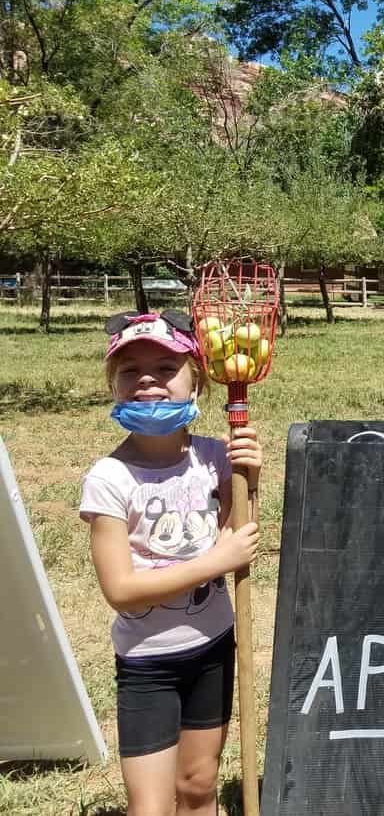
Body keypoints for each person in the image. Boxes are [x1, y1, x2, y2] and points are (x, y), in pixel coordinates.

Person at [79, 310, 262, 816]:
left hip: (213, 650)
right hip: (148, 667)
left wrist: (250, 474)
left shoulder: (213, 457)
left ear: (196, 381)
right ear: (113, 385)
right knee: (152, 807)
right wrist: (215, 562)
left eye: (165, 368)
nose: (147, 380)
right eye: (129, 370)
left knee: (199, 786)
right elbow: (120, 589)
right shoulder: (109, 479)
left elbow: (240, 533)